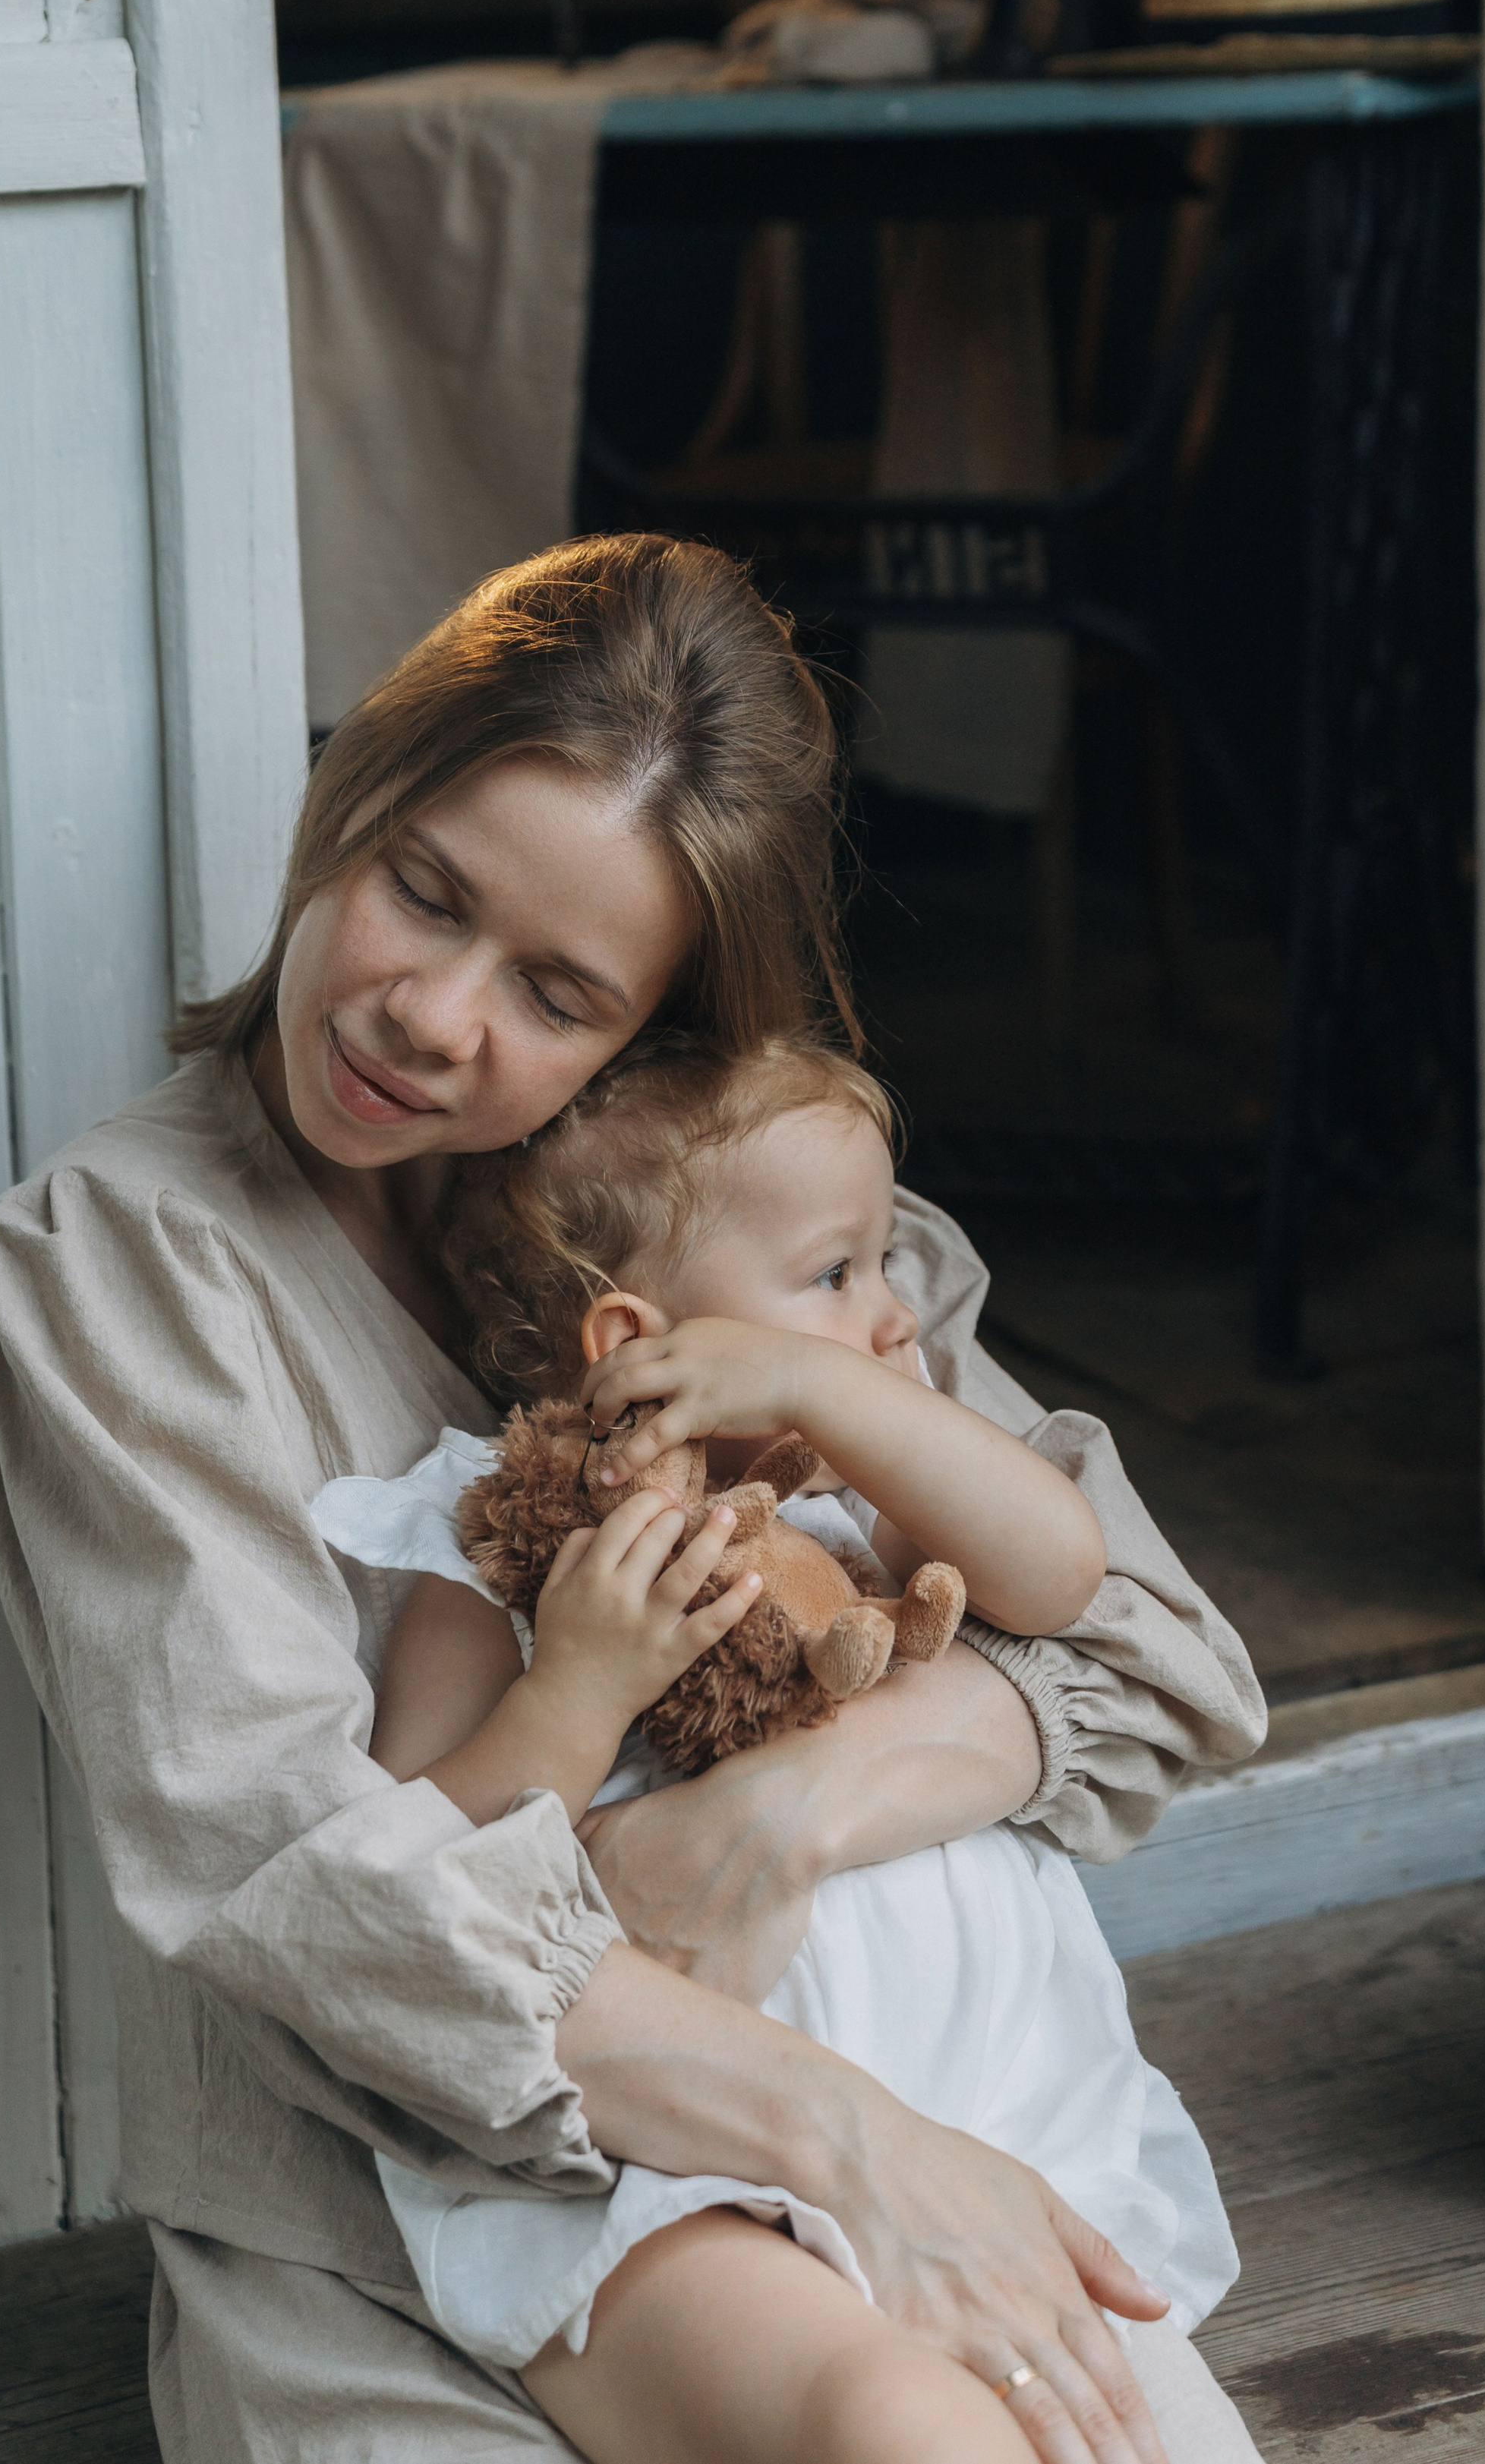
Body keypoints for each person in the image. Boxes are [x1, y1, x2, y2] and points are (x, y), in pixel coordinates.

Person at [0, 536, 1266, 2464]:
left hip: (910, 2114)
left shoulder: (753, 1209)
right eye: (423, 890)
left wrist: (776, 1812)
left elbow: (1144, 1647)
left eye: (557, 992)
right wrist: (847, 2136)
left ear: (656, 1029)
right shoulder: (127, 1269)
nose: (430, 1013)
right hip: (420, 2234)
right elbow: (323, 1898)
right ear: (359, 786)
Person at [311, 1036, 1261, 2463]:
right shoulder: (492, 1559)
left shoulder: (860, 1507)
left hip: (991, 2133)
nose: (892, 1318)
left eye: (886, 1264)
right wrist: (580, 1683)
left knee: (1152, 2439)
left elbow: (1062, 1570)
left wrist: (831, 1397)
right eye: (837, 1273)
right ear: (634, 1336)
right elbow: (429, 1877)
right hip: (679, 2180)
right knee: (892, 2424)